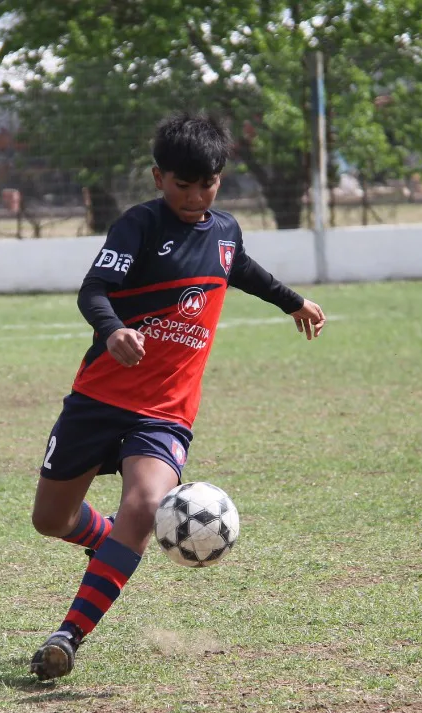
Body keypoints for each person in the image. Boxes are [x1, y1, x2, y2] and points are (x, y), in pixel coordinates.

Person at [28, 112, 326, 680]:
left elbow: (241, 268)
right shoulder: (137, 226)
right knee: (50, 520)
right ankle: (110, 544)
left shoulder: (225, 231)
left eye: (206, 184)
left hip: (164, 411)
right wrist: (113, 329)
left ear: (220, 177)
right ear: (158, 177)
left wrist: (291, 301)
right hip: (97, 399)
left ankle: (68, 636)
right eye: (181, 184)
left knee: (143, 507)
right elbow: (94, 290)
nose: (194, 196)